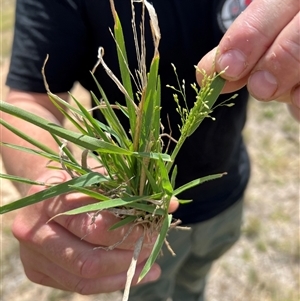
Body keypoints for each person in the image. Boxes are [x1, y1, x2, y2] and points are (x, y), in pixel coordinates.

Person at [1, 0, 299, 300]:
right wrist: (47, 182)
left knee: (195, 282)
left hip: (226, 194)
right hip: (136, 222)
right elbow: (29, 100)